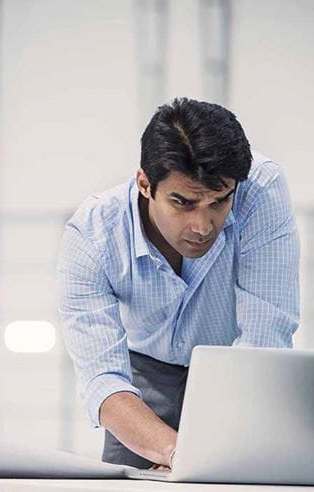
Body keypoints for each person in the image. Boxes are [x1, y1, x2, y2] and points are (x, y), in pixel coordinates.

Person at [57, 98, 300, 470]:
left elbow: (265, 337)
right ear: (145, 183)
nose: (203, 227)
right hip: (141, 376)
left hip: (235, 367)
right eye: (183, 203)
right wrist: (176, 452)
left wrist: (215, 451)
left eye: (219, 202)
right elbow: (103, 379)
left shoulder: (260, 189)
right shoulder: (92, 236)